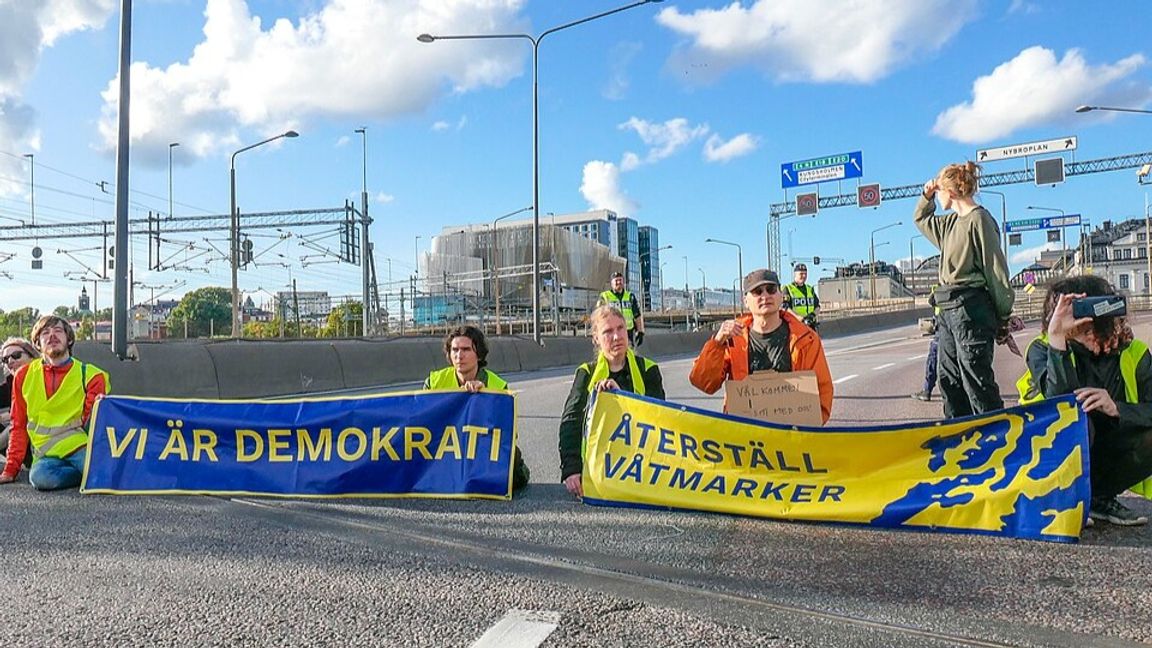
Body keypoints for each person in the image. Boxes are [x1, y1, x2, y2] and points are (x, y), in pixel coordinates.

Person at [1018, 276, 1152, 526]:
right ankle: (1061, 499)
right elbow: (1057, 407)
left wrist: (1117, 408)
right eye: (1081, 328)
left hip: (1107, 452)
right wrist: (1057, 339)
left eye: (1094, 328)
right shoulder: (1043, 350)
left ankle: (1099, 498)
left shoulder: (1133, 352)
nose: (1091, 337)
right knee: (1079, 421)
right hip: (1048, 459)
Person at [915, 161, 1015, 418]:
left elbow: (995, 270)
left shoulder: (979, 219)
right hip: (947, 309)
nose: (937, 195)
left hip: (971, 307)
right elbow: (922, 219)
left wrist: (1003, 315)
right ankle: (958, 434)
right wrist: (927, 196)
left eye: (939, 191)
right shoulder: (949, 224)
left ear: (951, 191)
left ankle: (994, 436)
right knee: (949, 378)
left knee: (975, 377)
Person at [690, 269, 833, 424]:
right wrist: (717, 343)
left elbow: (822, 391)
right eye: (757, 292)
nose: (765, 296)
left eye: (771, 290)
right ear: (746, 301)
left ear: (780, 296)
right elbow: (703, 383)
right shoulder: (733, 340)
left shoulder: (806, 339)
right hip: (745, 439)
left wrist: (809, 428)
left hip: (792, 439)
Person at [559, 305, 664, 499]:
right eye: (608, 331)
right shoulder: (586, 373)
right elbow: (571, 421)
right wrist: (571, 469)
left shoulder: (648, 370)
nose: (616, 337)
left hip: (641, 471)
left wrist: (621, 398)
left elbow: (660, 421)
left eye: (620, 328)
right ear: (596, 339)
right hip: (598, 471)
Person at [0, 316, 108, 490]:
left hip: (80, 447)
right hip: (46, 455)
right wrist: (10, 469)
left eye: (58, 331)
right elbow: (18, 424)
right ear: (37, 343)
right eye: (45, 333)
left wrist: (102, 407)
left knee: (103, 476)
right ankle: (84, 475)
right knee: (39, 479)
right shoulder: (23, 376)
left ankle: (91, 472)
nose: (52, 336)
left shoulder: (91, 376)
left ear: (69, 339)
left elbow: (95, 424)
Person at [424, 325, 530, 491]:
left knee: (514, 472)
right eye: (455, 350)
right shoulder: (434, 381)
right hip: (445, 446)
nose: (459, 356)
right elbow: (422, 421)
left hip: (479, 446)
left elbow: (506, 435)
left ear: (478, 354)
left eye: (466, 349)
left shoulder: (497, 385)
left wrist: (484, 396)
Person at [0, 338, 38, 469]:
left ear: (32, 356)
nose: (10, 361)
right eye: (5, 360)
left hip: (50, 439)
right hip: (22, 442)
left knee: (19, 423)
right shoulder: (11, 382)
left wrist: (9, 415)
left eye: (16, 356)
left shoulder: (44, 375)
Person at [597, 271, 645, 347]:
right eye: (616, 280)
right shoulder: (605, 296)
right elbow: (599, 316)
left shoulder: (630, 296)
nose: (619, 282)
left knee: (629, 354)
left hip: (628, 331)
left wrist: (640, 331)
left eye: (621, 280)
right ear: (611, 283)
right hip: (612, 331)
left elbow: (637, 315)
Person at [911, 291, 941, 402]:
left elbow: (931, 300)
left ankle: (927, 390)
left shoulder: (943, 285)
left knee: (933, 358)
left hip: (944, 325)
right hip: (950, 323)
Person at [783, 262, 820, 330]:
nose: (803, 276)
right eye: (801, 274)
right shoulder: (788, 289)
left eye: (805, 274)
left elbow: (817, 306)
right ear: (795, 274)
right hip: (795, 326)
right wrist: (799, 318)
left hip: (810, 326)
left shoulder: (810, 289)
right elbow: (785, 307)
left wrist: (812, 315)